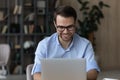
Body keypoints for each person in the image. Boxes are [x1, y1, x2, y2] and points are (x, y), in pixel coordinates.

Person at [31, 5, 100, 80]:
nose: (66, 32)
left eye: (70, 27)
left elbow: (93, 72)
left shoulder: (85, 45)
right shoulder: (43, 45)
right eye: (61, 27)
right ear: (55, 24)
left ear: (75, 23)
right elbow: (37, 75)